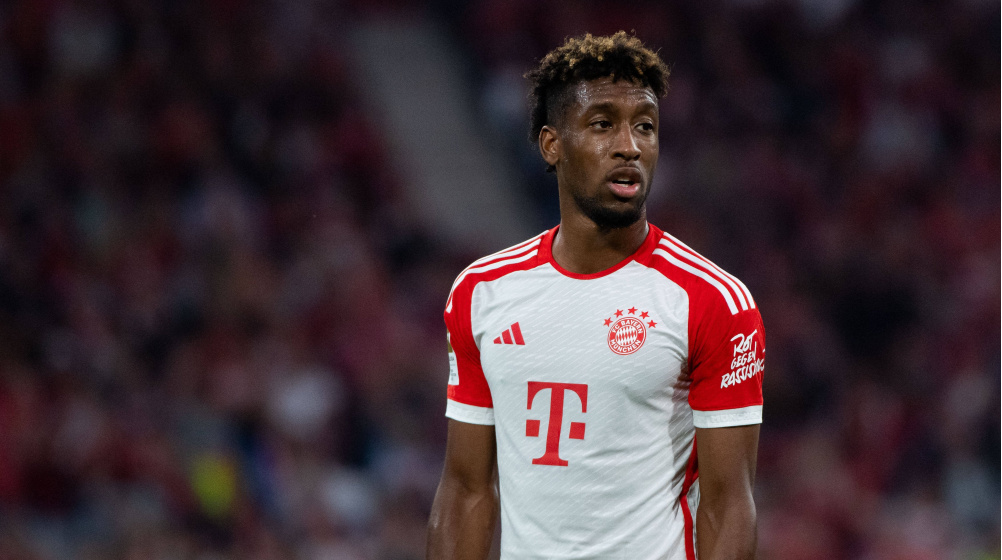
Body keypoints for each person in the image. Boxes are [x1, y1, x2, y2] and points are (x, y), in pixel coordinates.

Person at [427, 32, 764, 560]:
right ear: (552, 145)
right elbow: (466, 490)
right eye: (603, 124)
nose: (630, 146)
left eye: (645, 126)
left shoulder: (713, 301)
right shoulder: (482, 292)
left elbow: (730, 507)